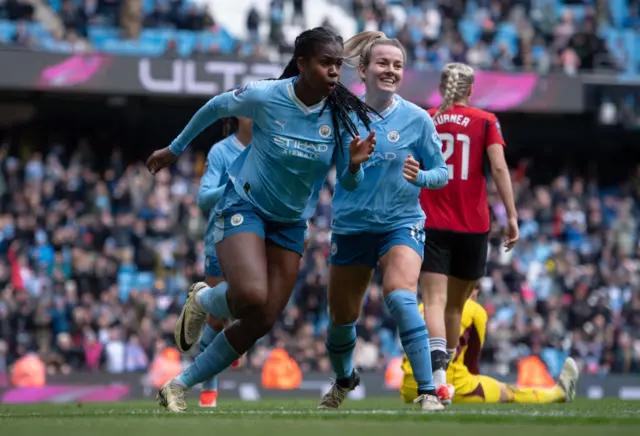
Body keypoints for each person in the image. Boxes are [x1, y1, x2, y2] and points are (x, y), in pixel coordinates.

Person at [146, 26, 378, 413]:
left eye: (338, 64)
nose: (335, 72)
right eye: (326, 63)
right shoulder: (269, 95)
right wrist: (174, 149)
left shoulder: (339, 116)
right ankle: (203, 298)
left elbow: (349, 185)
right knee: (251, 295)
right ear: (302, 64)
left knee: (263, 318)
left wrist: (353, 167)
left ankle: (178, 385)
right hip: (245, 205)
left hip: (290, 223)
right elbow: (215, 107)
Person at [319, 31, 448, 412]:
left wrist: (420, 177)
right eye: (383, 63)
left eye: (397, 65)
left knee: (401, 296)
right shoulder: (344, 116)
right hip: (352, 226)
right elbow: (344, 180)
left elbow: (442, 172)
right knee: (341, 322)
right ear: (364, 69)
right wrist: (355, 166)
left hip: (401, 222)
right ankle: (344, 380)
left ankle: (427, 392)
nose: (390, 70)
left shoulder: (417, 119)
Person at [419, 62, 519, 404]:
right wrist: (512, 217)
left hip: (431, 221)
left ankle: (437, 381)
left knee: (432, 300)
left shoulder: (425, 118)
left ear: (441, 86)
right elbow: (499, 167)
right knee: (454, 307)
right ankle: (447, 381)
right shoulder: (486, 120)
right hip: (472, 225)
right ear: (471, 90)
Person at [400, 289, 579, 404]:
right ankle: (558, 393)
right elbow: (472, 362)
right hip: (451, 386)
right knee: (509, 393)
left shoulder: (425, 306)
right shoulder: (474, 309)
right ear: (474, 290)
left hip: (410, 388)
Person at [195, 115, 252, 407]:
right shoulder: (221, 152)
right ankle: (209, 389)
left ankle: (230, 339)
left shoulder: (272, 149)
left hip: (257, 243)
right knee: (217, 320)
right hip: (220, 241)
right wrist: (232, 186)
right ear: (237, 118)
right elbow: (204, 199)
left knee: (253, 305)